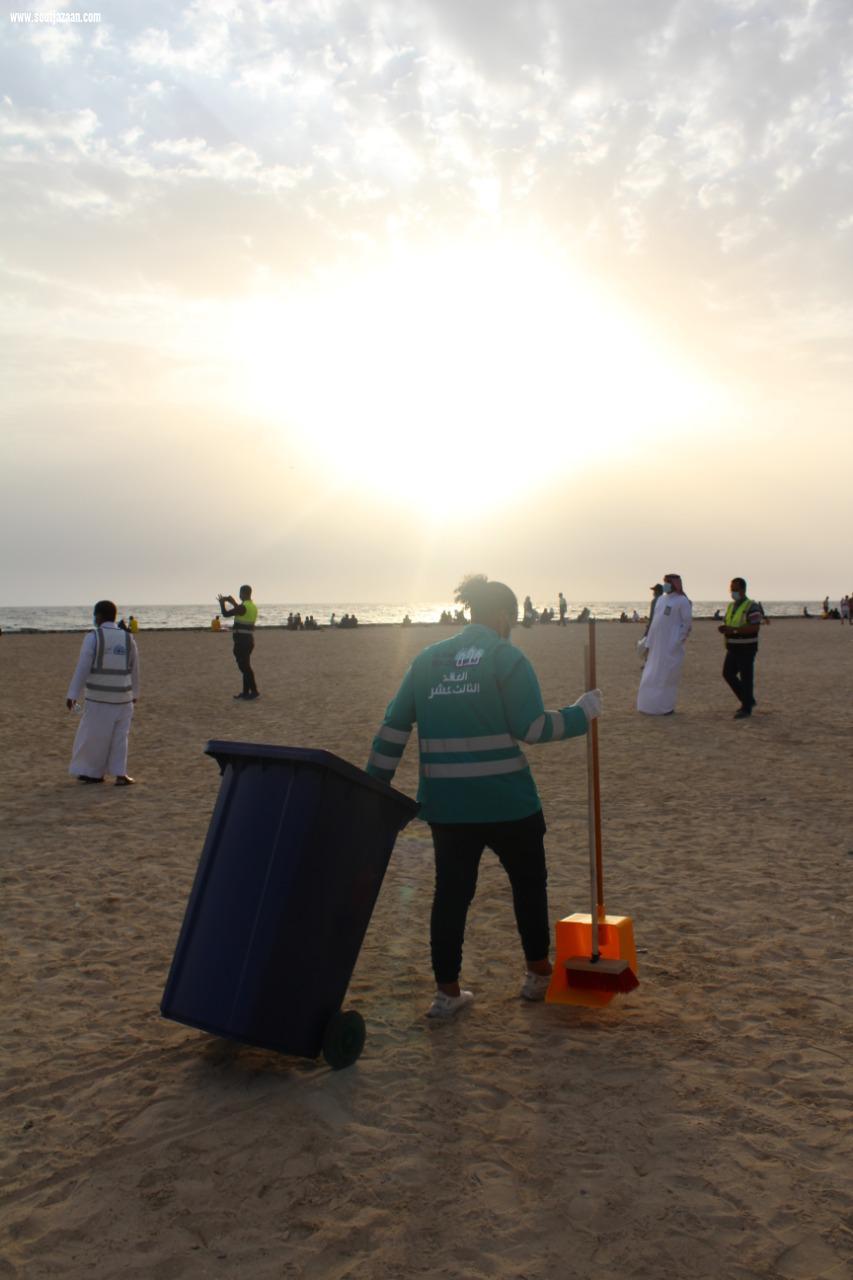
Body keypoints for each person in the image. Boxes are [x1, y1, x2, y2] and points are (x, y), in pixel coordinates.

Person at [366, 573, 602, 1019]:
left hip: (448, 807)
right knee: (528, 887)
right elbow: (532, 728)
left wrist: (373, 787)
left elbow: (393, 728)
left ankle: (447, 994)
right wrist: (580, 713)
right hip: (509, 803)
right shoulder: (505, 657)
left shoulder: (427, 660)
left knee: (451, 895)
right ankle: (536, 976)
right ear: (502, 616)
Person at [66, 599, 139, 785]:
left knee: (94, 737)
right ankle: (120, 774)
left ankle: (93, 773)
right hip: (123, 698)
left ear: (98, 616)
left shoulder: (94, 637)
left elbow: (82, 667)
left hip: (99, 698)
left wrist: (73, 694)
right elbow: (135, 669)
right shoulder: (127, 637)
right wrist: (135, 693)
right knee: (120, 738)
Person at [636, 573, 692, 715]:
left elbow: (686, 624)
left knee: (666, 679)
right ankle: (647, 706)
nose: (665, 584)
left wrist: (677, 641)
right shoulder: (661, 599)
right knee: (650, 676)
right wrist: (648, 643)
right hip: (656, 646)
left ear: (674, 584)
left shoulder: (682, 601)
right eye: (664, 582)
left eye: (668, 582)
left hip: (671, 647)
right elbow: (655, 622)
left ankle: (665, 708)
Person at [719, 577, 763, 719]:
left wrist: (734, 631)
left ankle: (746, 707)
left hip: (747, 647)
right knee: (727, 673)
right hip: (732, 647)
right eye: (731, 589)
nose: (733, 592)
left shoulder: (752, 606)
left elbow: (755, 627)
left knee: (746, 676)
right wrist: (725, 629)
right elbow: (730, 622)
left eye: (735, 589)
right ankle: (748, 699)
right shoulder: (732, 606)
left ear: (743, 590)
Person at [217, 585, 259, 700]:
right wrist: (233, 602)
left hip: (242, 642)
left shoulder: (243, 606)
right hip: (248, 640)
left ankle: (254, 691)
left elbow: (226, 614)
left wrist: (222, 603)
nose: (239, 595)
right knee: (246, 666)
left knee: (244, 667)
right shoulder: (252, 606)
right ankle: (245, 692)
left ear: (243, 594)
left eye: (240, 593)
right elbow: (241, 611)